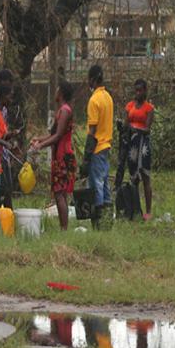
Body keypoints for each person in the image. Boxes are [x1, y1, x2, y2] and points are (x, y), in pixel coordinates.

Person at [31, 81, 76, 231]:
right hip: (60, 155)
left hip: (63, 156)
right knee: (59, 193)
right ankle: (63, 228)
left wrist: (41, 146)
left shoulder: (64, 111)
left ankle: (64, 229)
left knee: (59, 193)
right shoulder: (62, 111)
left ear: (61, 93)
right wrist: (39, 139)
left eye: (57, 89)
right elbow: (53, 135)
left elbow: (58, 136)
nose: (55, 91)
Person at [81, 64, 113, 224]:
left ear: (93, 80)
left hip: (97, 147)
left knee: (96, 184)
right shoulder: (108, 97)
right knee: (105, 182)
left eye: (89, 80)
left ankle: (99, 220)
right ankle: (108, 218)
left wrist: (86, 156)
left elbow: (92, 130)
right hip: (106, 146)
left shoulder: (94, 100)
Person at [124, 79, 155, 220]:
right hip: (132, 144)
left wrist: (136, 129)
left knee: (145, 175)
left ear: (145, 91)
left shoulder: (149, 108)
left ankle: (148, 211)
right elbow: (126, 124)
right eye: (136, 90)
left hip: (143, 144)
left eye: (140, 90)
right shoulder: (129, 106)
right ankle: (135, 209)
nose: (138, 93)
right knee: (133, 177)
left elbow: (147, 129)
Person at [0, 69, 18, 209]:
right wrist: (4, 142)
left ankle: (6, 219)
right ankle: (3, 219)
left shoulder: (2, 107)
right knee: (1, 190)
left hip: (1, 153)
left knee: (5, 189)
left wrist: (9, 136)